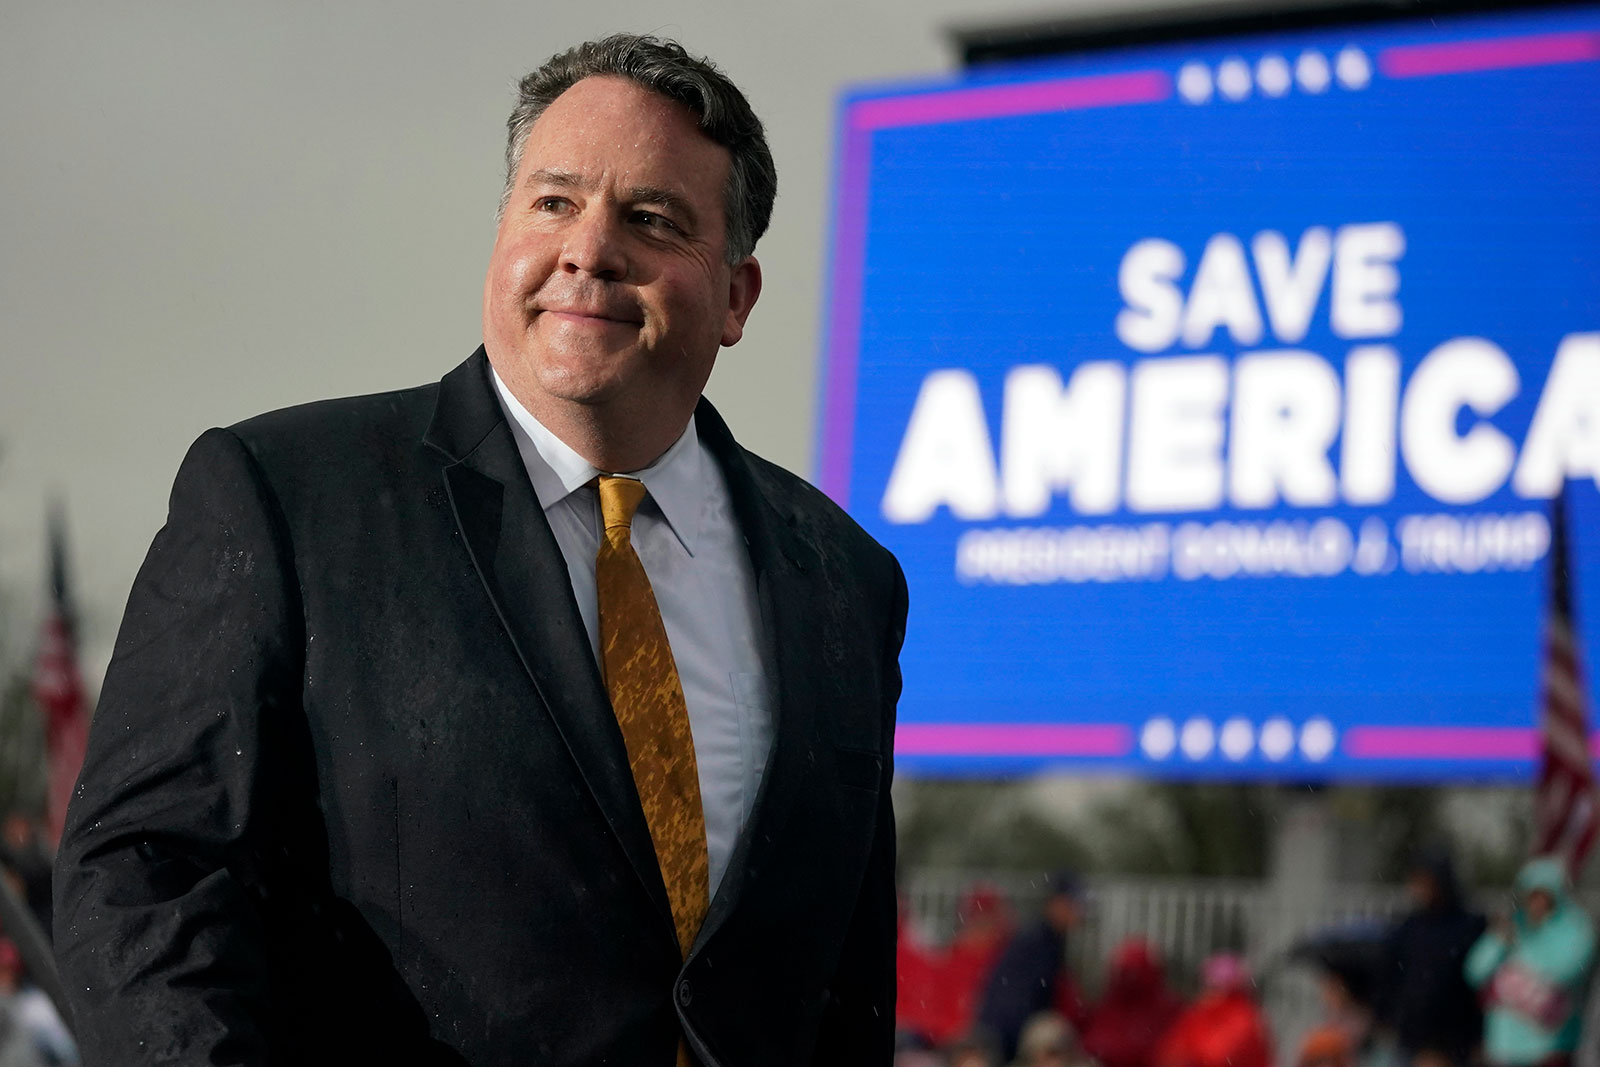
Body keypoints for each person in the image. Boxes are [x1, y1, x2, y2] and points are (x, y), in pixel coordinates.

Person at [52, 33, 907, 1067]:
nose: (589, 249)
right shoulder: (284, 496)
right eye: (552, 202)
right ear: (501, 233)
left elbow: (844, 978)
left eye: (651, 218)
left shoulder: (845, 580)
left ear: (736, 296)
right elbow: (147, 875)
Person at [1464, 856, 1597, 1067]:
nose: (1536, 903)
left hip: (1550, 1050)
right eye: (1531, 895)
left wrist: (1520, 968)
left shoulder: (1575, 928)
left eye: (1542, 895)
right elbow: (1475, 972)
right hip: (1504, 1049)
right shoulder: (1511, 928)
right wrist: (1498, 941)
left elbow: (1568, 970)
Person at [1374, 846, 1486, 1067]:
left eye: (1425, 880)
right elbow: (1389, 978)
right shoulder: (1408, 929)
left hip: (1455, 1044)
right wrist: (1387, 1018)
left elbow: (1476, 985)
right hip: (1411, 1044)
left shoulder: (1468, 928)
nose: (1419, 888)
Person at [977, 872, 1086, 1062]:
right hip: (1008, 1034)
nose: (1079, 912)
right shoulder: (1038, 941)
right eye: (1073, 905)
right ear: (1056, 903)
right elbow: (1021, 998)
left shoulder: (1048, 938)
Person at [1155, 953, 1273, 1067]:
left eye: (1212, 986)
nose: (1207, 991)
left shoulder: (1242, 1018)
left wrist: (1189, 1057)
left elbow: (1220, 1055)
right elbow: (1172, 1050)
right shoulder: (1200, 1014)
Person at [1080, 938, 1184, 1067]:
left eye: (1133, 971)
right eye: (1125, 971)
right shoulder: (1110, 1006)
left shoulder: (1168, 1009)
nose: (1130, 977)